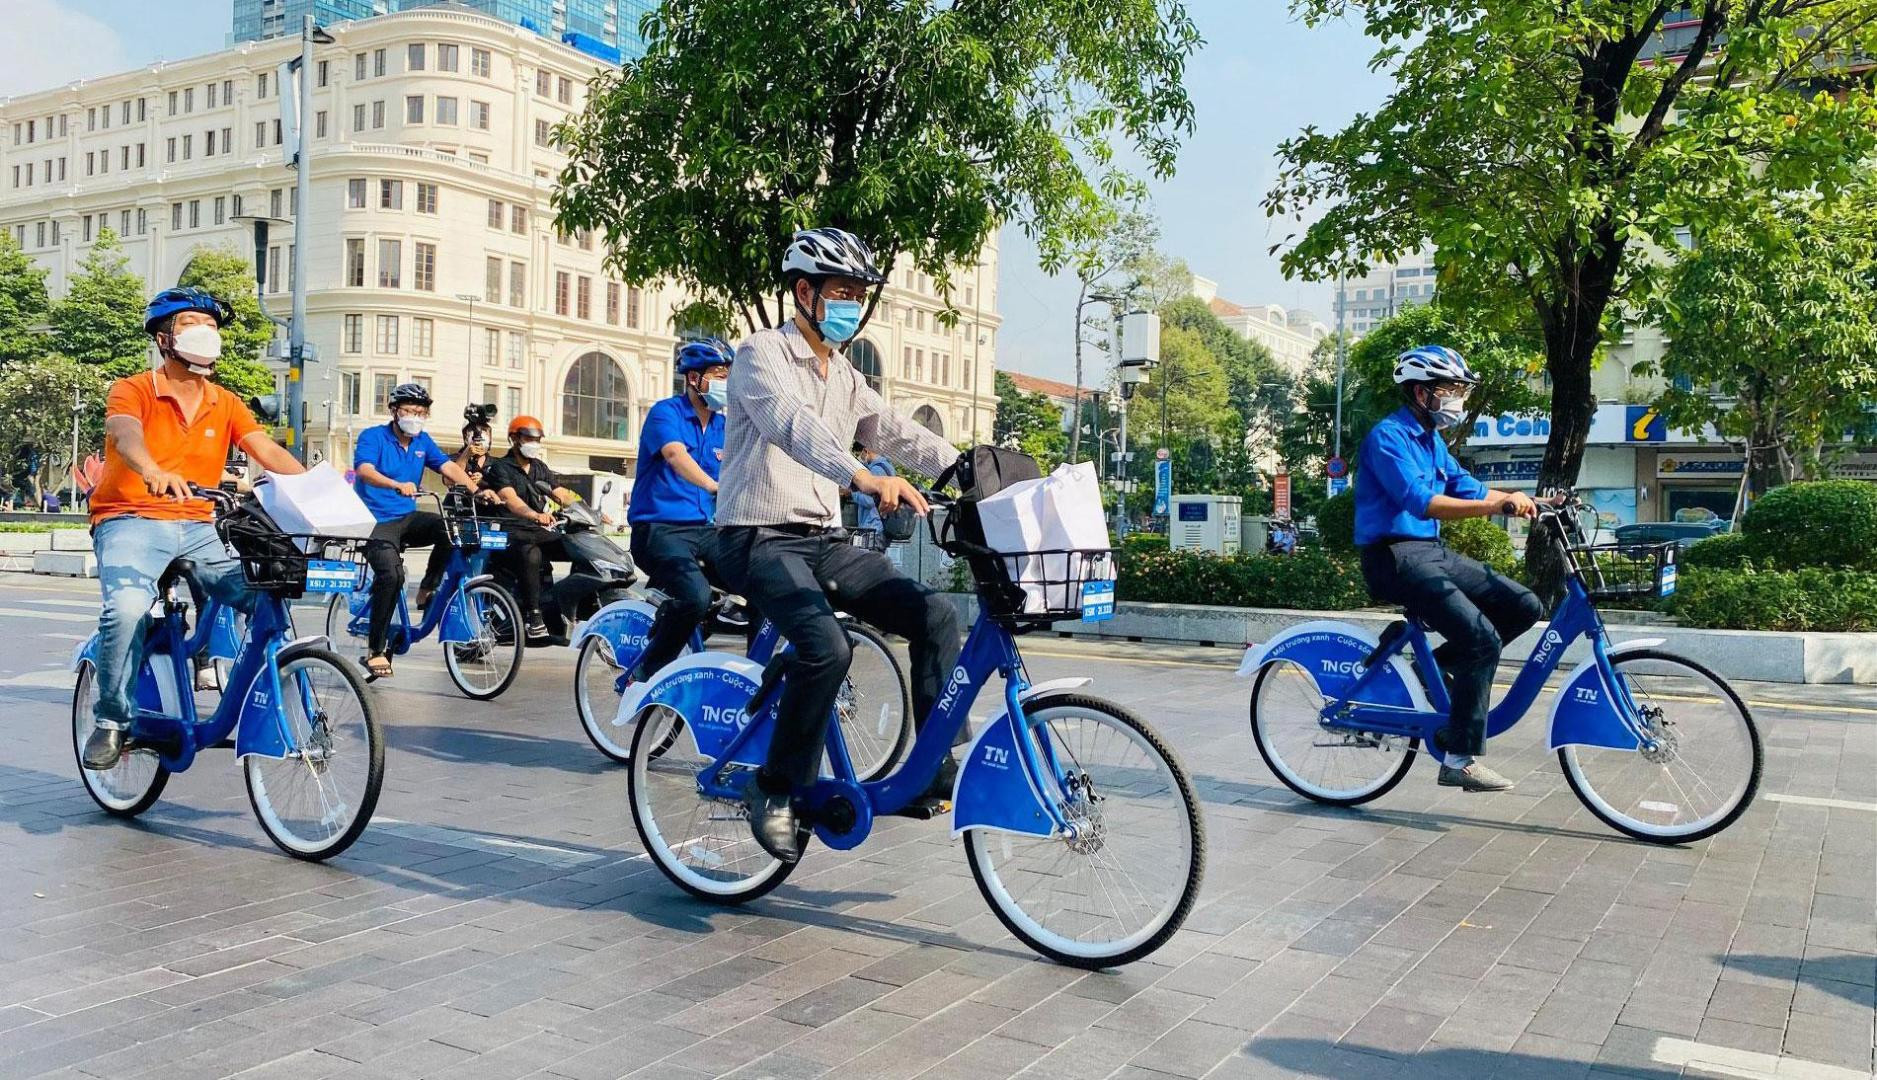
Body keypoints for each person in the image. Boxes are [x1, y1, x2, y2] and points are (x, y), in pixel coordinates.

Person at [715, 227, 963, 863]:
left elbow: (896, 432)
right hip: (756, 537)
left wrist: (971, 471)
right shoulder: (759, 355)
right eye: (843, 292)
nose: (853, 304)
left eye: (859, 294)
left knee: (934, 613)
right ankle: (775, 787)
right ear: (805, 293)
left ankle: (933, 764)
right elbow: (792, 426)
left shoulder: (846, 375)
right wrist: (861, 476)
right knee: (827, 647)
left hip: (821, 540)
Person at [80, 287, 307, 770]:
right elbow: (125, 434)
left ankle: (251, 689)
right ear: (164, 339)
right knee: (126, 608)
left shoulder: (225, 401)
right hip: (130, 518)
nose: (204, 331)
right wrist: (151, 469)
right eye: (189, 323)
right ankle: (112, 718)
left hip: (200, 524)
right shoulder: (133, 388)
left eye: (210, 325)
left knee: (265, 593)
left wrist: (316, 486)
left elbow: (264, 449)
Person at [1355, 345, 1547, 793]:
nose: (1457, 398)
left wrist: (1532, 500)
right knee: (1480, 639)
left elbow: (1469, 487)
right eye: (1450, 389)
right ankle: (1459, 759)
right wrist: (1497, 506)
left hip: (1430, 552)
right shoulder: (1388, 437)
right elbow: (1422, 502)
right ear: (1420, 393)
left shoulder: (1433, 441)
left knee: (1524, 605)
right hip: (1392, 557)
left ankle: (1430, 671)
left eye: (1460, 390)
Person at [623, 337, 731, 682]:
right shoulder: (666, 412)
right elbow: (674, 454)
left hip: (705, 531)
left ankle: (756, 680)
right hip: (658, 531)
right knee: (696, 597)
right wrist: (714, 486)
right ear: (694, 378)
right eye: (719, 375)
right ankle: (645, 672)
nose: (726, 383)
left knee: (763, 580)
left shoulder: (723, 426)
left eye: (729, 376)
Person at [351, 383, 476, 679]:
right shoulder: (373, 437)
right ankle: (375, 650)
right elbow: (364, 470)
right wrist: (395, 484)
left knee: (449, 530)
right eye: (409, 411)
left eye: (421, 413)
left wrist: (477, 490)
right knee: (392, 577)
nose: (415, 417)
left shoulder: (422, 441)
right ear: (394, 411)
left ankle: (426, 590)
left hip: (406, 518)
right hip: (374, 522)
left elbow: (447, 467)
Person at [482, 415, 592, 642]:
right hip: (511, 530)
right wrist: (535, 515)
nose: (533, 444)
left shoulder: (540, 467)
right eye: (528, 439)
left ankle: (573, 605)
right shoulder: (500, 467)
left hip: (539, 530)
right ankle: (534, 617)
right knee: (530, 553)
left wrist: (589, 511)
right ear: (514, 439)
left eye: (537, 439)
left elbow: (560, 493)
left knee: (579, 548)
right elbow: (510, 499)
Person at [848, 443, 897, 552]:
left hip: (872, 526)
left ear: (866, 450)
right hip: (881, 526)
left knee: (866, 560)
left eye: (860, 454)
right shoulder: (888, 468)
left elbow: (869, 501)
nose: (860, 458)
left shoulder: (875, 471)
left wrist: (851, 493)